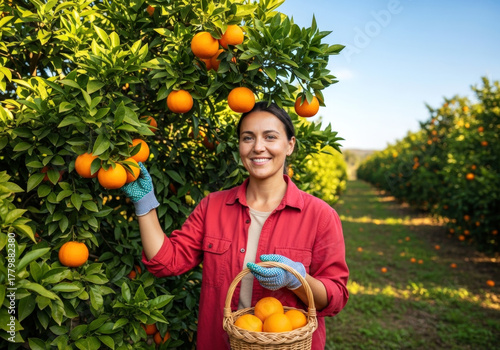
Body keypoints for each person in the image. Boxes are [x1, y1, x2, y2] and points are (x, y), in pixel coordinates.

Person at [122, 101, 349, 349]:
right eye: (248, 138)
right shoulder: (213, 207)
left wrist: (297, 279)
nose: (258, 147)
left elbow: (335, 297)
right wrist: (145, 205)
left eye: (270, 137)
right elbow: (166, 262)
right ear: (240, 146)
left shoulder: (320, 216)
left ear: (290, 145)